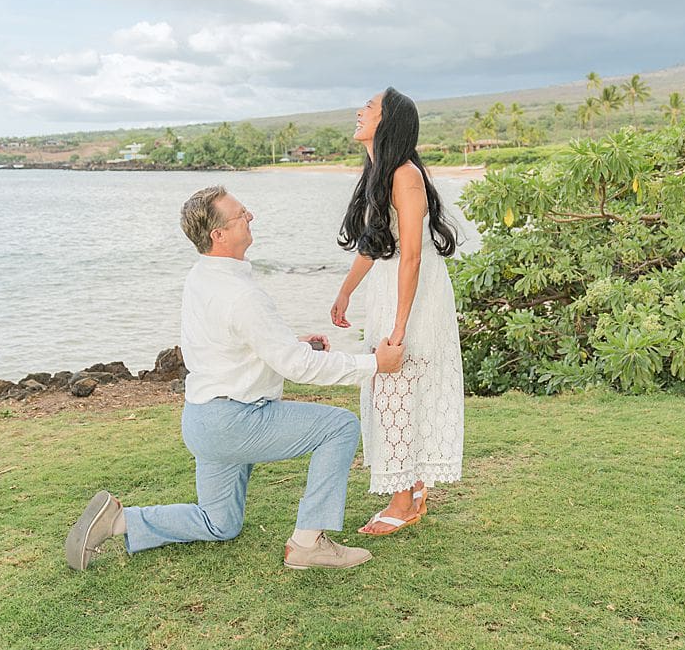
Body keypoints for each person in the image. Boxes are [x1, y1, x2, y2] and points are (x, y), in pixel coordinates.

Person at [65, 185, 405, 571]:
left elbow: (226, 343)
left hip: (203, 422)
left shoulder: (201, 277)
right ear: (219, 235)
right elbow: (297, 367)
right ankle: (308, 543)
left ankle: (118, 521)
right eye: (241, 214)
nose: (250, 216)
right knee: (340, 426)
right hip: (235, 422)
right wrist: (375, 364)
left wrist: (288, 343)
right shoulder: (241, 295)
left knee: (220, 523)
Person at [331, 87, 465, 535]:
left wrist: (400, 327)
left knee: (395, 389)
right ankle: (415, 486)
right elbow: (375, 245)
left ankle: (403, 500)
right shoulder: (380, 172)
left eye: (369, 107)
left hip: (413, 297)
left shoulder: (405, 176)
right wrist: (345, 292)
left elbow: (412, 256)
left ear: (387, 121)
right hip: (393, 291)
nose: (359, 111)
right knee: (399, 388)